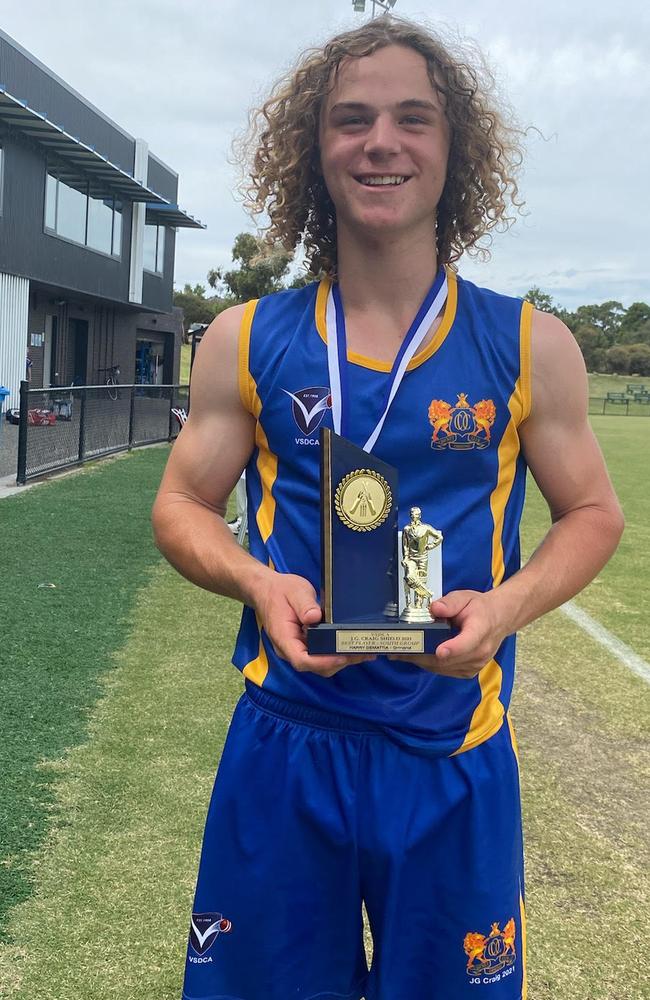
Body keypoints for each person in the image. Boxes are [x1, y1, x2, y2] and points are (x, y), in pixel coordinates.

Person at [152, 16, 623, 1000]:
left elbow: (591, 513)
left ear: (454, 152)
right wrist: (255, 578)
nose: (380, 142)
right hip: (286, 742)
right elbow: (181, 506)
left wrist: (504, 608)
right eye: (349, 119)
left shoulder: (528, 344)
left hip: (449, 746)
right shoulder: (245, 339)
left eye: (413, 119)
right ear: (312, 151)